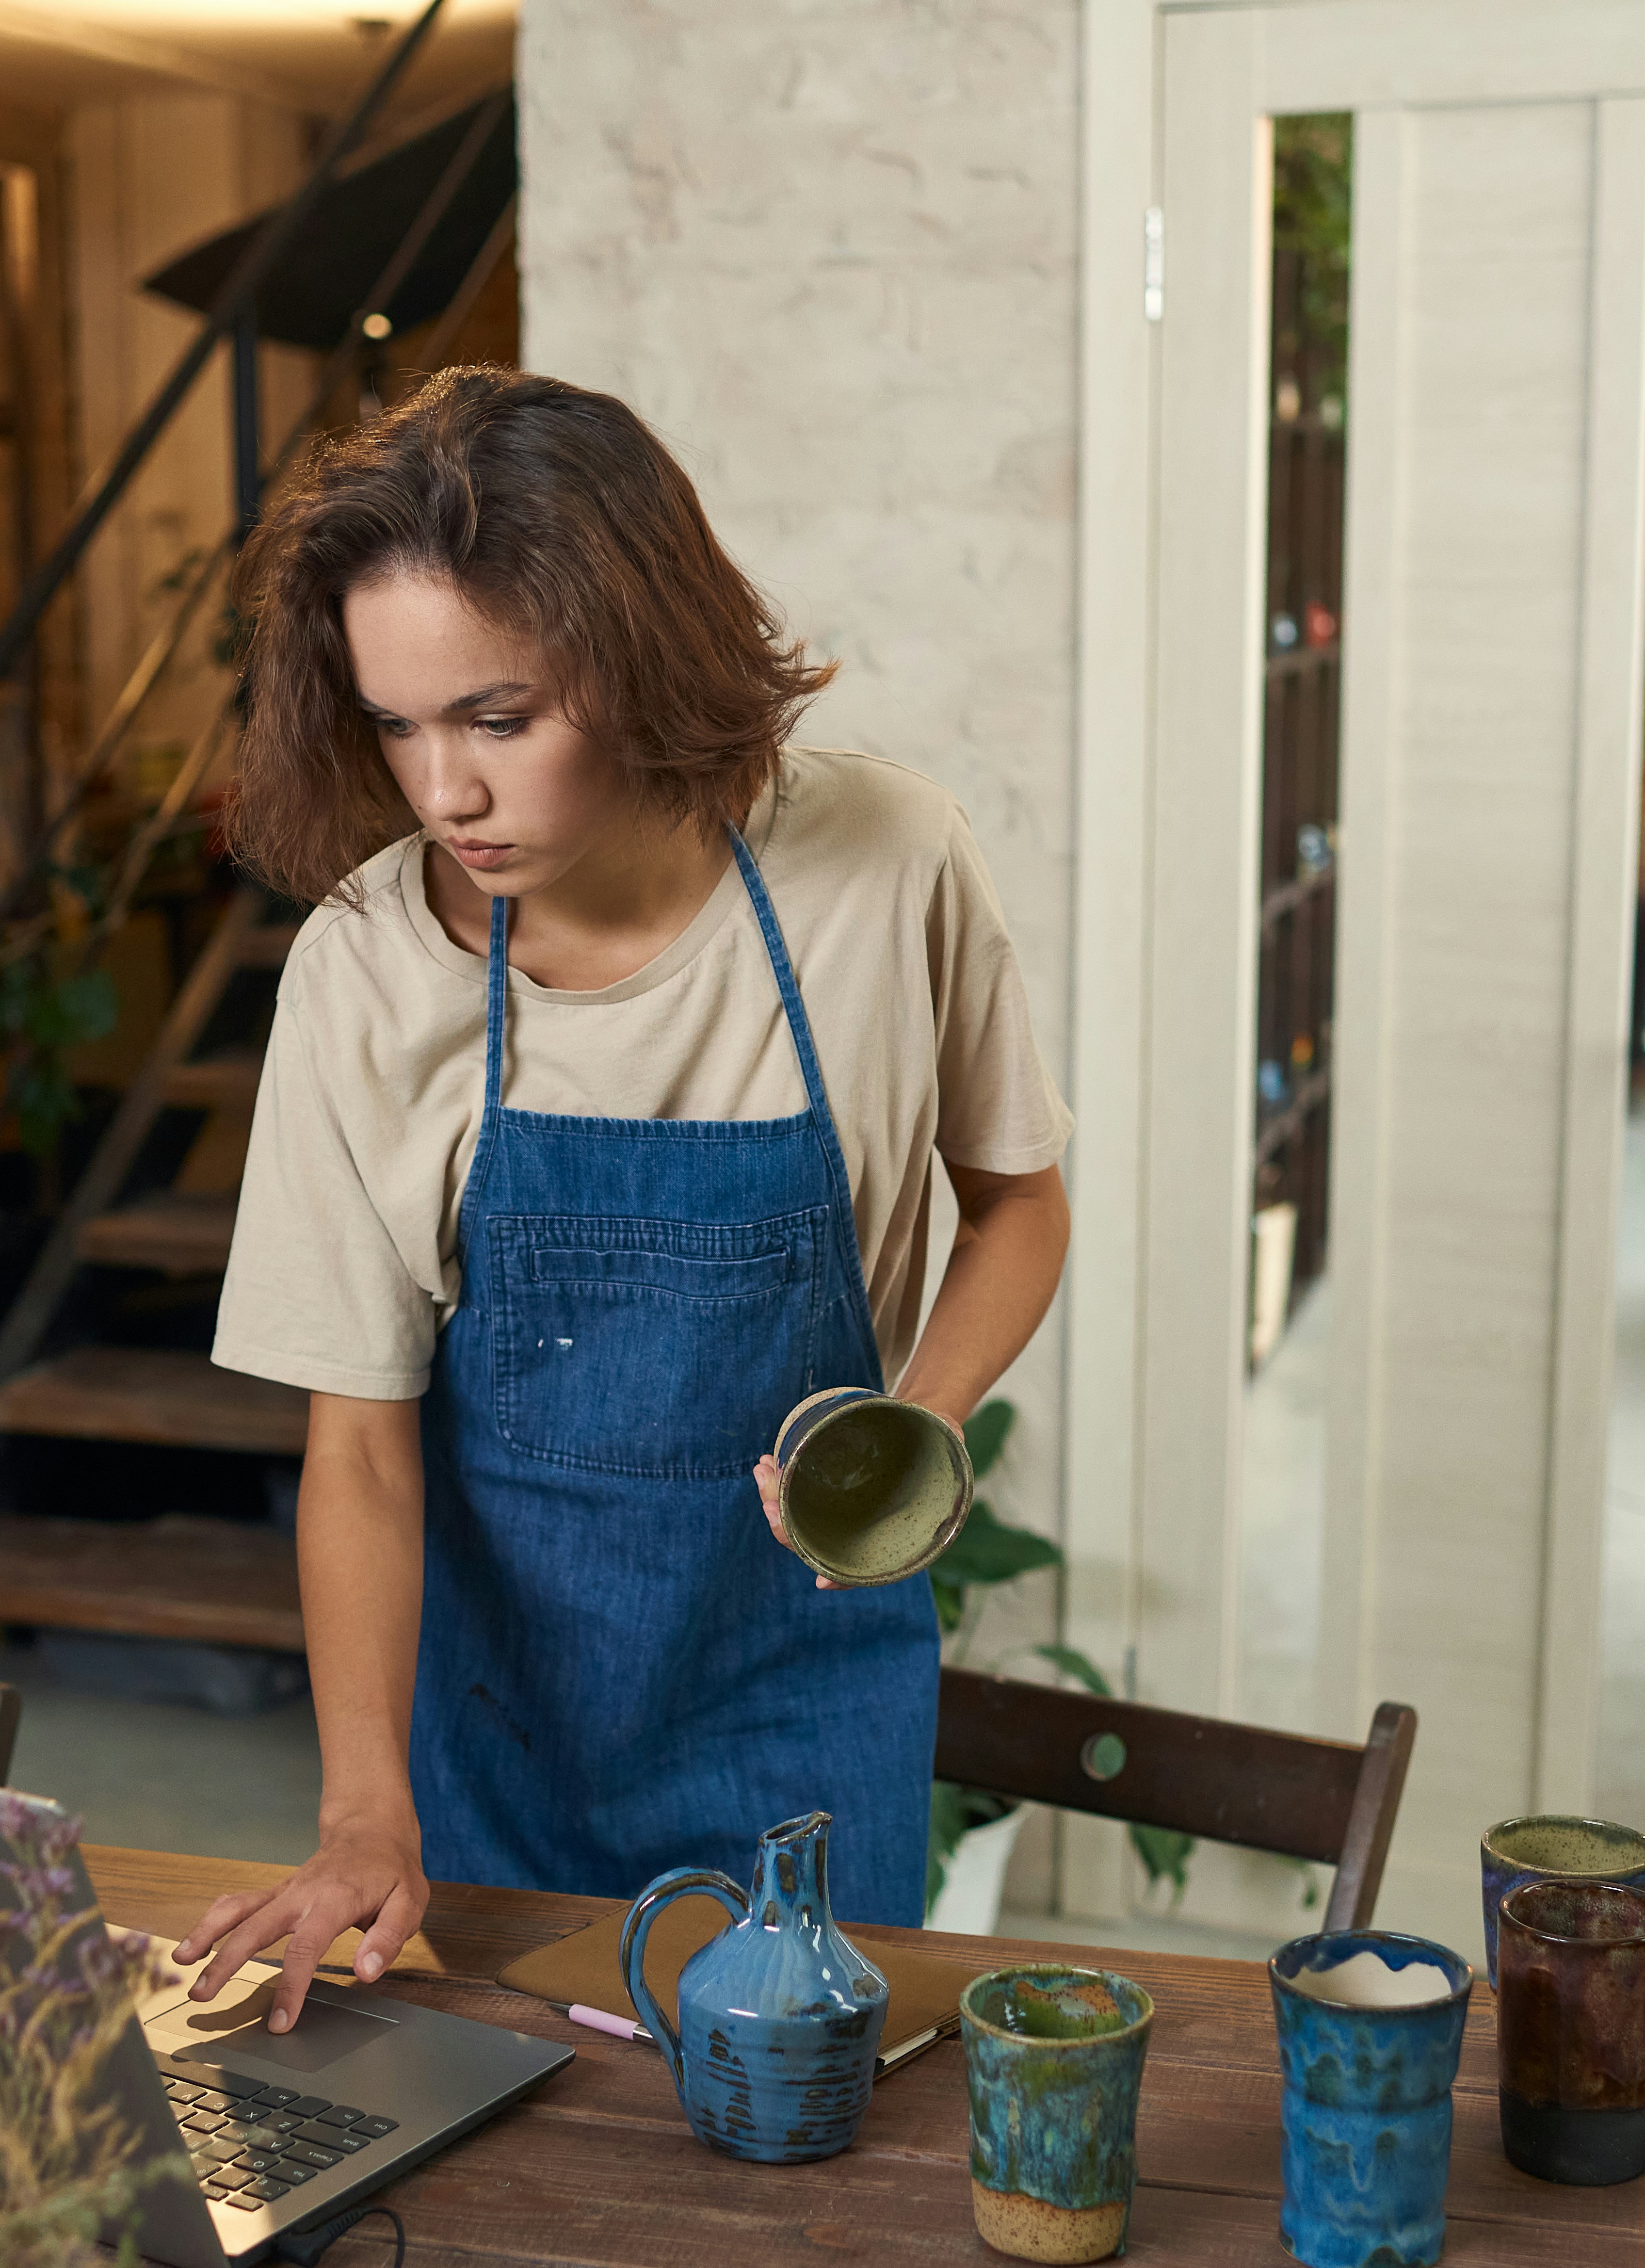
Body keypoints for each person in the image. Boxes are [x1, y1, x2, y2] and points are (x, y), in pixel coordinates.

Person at [176, 368, 1071, 2029]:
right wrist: (365, 1813)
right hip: (501, 1750)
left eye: (497, 720)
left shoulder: (884, 865)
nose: (443, 794)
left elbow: (1019, 1202)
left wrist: (912, 1433)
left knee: (793, 2184)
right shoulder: (366, 973)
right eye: (396, 724)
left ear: (640, 656)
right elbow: (359, 1446)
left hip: (804, 1715)